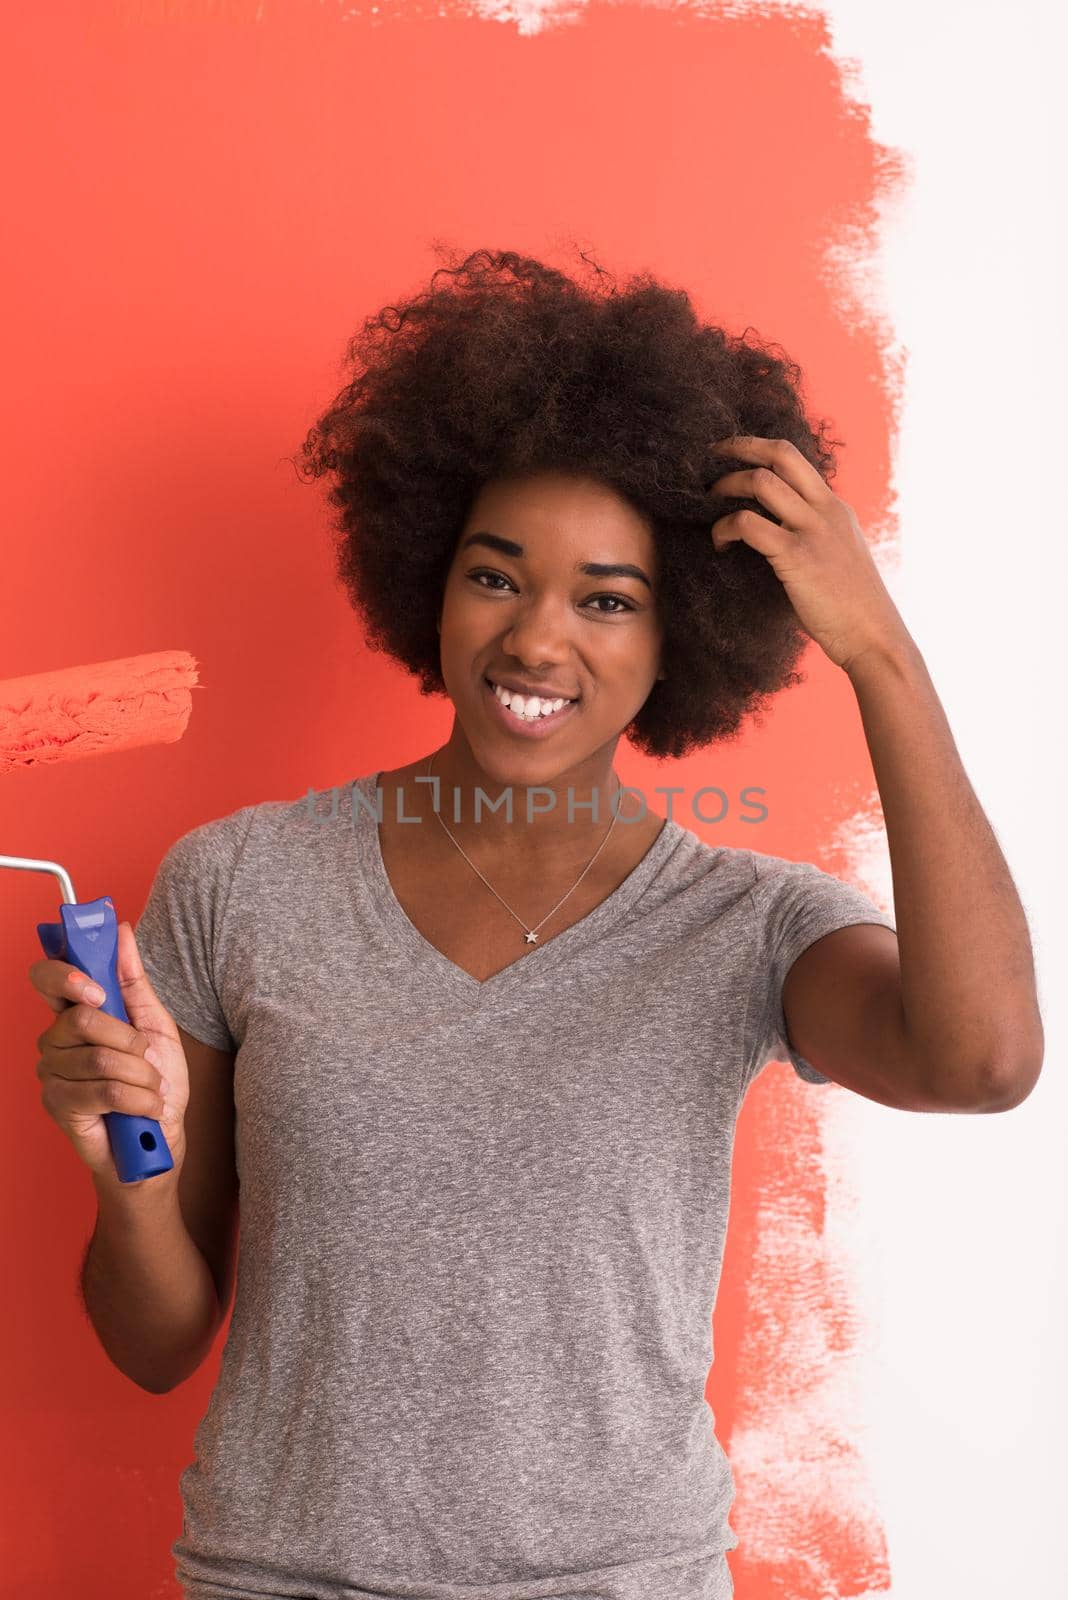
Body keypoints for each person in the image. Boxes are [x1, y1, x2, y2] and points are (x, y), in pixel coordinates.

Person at [33, 247, 1043, 1600]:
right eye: (498, 578)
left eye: (608, 601)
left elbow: (983, 1062)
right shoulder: (240, 884)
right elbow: (153, 1344)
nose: (538, 643)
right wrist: (123, 1179)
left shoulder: (745, 925)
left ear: (683, 633)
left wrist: (882, 655)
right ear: (431, 581)